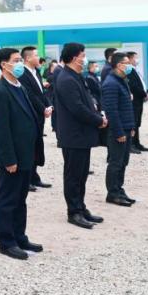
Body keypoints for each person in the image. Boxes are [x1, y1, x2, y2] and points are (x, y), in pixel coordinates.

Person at [0, 48, 43, 260]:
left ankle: (19, 236)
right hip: (12, 157)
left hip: (26, 154)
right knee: (8, 199)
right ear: (4, 65)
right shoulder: (1, 91)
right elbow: (1, 131)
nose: (20, 63)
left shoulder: (19, 86)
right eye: (16, 60)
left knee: (21, 198)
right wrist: (9, 159)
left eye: (21, 59)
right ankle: (6, 241)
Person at [52, 43, 107, 230]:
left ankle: (81, 207)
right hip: (73, 136)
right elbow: (77, 108)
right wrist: (98, 120)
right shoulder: (66, 79)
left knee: (81, 175)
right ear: (75, 57)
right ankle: (74, 212)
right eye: (83, 55)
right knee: (73, 176)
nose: (85, 59)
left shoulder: (75, 76)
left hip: (82, 135)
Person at [101, 52, 136, 207]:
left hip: (126, 127)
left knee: (123, 162)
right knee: (115, 162)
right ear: (119, 65)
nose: (130, 65)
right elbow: (112, 111)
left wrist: (131, 127)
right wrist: (119, 132)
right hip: (118, 130)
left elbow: (126, 107)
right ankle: (113, 193)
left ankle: (119, 189)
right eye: (127, 63)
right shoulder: (111, 83)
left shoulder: (122, 80)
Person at [17, 47, 52, 190]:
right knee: (29, 147)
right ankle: (27, 180)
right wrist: (42, 108)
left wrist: (48, 105)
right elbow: (30, 95)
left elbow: (41, 92)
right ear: (27, 58)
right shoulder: (23, 74)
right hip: (31, 114)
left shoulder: (36, 71)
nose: (39, 57)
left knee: (37, 145)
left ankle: (34, 177)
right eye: (36, 55)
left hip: (39, 115)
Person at [126, 52, 148, 153]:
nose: (137, 59)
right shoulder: (129, 71)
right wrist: (144, 94)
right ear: (130, 59)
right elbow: (133, 86)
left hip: (139, 100)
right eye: (136, 58)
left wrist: (146, 92)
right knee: (134, 122)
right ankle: (131, 144)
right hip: (134, 100)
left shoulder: (135, 70)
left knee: (137, 122)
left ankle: (137, 143)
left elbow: (141, 83)